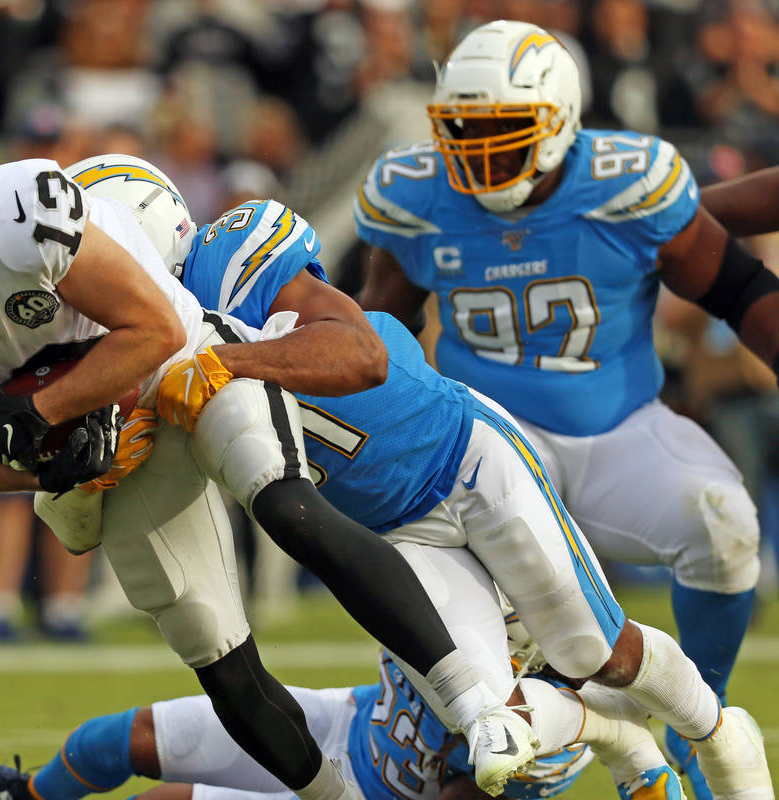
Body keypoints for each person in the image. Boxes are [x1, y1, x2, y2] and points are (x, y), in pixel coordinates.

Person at [0, 111, 543, 800]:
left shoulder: (18, 215)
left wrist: (44, 410)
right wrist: (51, 467)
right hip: (108, 446)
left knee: (285, 505)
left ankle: (479, 707)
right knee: (213, 647)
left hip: (184, 369)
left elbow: (156, 328)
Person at [53, 154, 763, 800]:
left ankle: (720, 738)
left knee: (593, 649)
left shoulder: (231, 258)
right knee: (485, 712)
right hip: (391, 528)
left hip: (460, 454)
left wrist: (226, 364)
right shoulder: (135, 357)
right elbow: (88, 516)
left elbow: (361, 354)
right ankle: (623, 741)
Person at [352, 20, 777, 800]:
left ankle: (698, 713)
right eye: (462, 133)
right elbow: (381, 331)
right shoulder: (414, 195)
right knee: (494, 684)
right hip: (482, 444)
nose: (477, 156)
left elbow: (738, 288)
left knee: (724, 524)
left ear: (558, 124)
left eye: (503, 133)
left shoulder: (627, 182)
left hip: (616, 429)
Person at [0, 651, 600, 800]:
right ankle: (19, 799)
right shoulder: (448, 569)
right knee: (117, 739)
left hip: (368, 796)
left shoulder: (547, 716)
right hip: (355, 721)